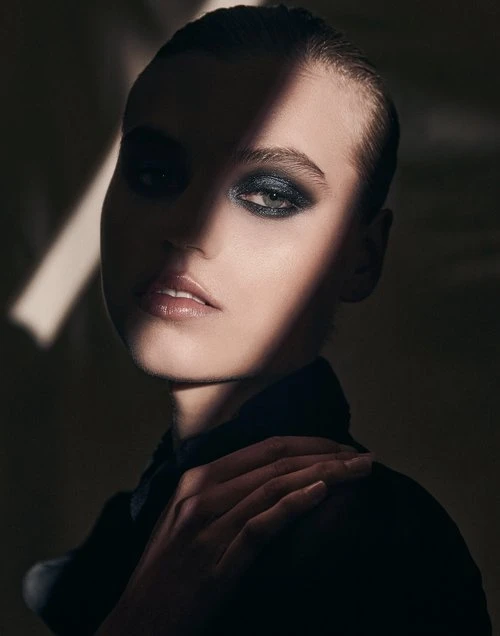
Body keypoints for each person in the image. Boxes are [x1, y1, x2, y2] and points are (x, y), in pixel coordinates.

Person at [23, 5, 491, 635]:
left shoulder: (372, 545)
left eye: (270, 194)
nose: (189, 229)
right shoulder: (132, 527)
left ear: (362, 258)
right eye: (155, 173)